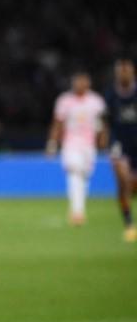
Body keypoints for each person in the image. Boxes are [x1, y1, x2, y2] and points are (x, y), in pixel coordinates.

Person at [47, 71, 107, 226]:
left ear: (88, 83)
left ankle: (78, 206)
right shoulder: (65, 101)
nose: (80, 85)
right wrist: (52, 143)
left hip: (88, 145)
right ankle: (77, 212)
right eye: (77, 82)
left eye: (83, 82)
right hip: (71, 143)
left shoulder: (96, 101)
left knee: (84, 176)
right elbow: (58, 123)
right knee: (74, 171)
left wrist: (103, 139)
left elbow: (101, 122)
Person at [104, 58, 137, 242]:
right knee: (123, 181)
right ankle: (129, 224)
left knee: (132, 186)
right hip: (119, 144)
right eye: (120, 71)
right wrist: (106, 140)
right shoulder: (110, 96)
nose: (124, 74)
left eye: (127, 71)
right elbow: (106, 122)